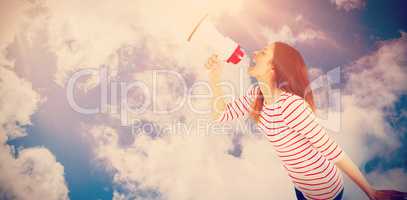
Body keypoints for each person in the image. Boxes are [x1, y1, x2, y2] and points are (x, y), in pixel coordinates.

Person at [205, 42, 407, 200]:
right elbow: (221, 115)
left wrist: (370, 192)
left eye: (264, 52)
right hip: (301, 189)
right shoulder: (255, 95)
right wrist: (215, 78)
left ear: (274, 69)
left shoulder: (292, 106)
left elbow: (332, 150)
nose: (255, 52)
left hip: (326, 190)